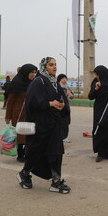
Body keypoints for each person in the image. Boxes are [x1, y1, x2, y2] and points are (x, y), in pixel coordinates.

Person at [17, 57, 71, 194]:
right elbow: (32, 102)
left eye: (55, 65)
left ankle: (56, 181)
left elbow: (62, 99)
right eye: (51, 65)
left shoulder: (54, 83)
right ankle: (24, 173)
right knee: (36, 153)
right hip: (41, 126)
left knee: (56, 153)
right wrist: (50, 103)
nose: (54, 67)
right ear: (44, 66)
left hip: (54, 125)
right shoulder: (38, 82)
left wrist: (63, 105)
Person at [5, 64, 37, 162]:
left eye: (35, 72)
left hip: (30, 113)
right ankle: (20, 155)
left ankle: (27, 153)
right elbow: (10, 101)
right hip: (18, 114)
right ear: (25, 72)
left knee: (30, 134)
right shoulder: (16, 83)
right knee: (21, 135)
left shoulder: (33, 83)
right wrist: (8, 117)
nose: (33, 74)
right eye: (31, 72)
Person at [57, 74, 74, 143]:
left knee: (67, 122)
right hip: (59, 107)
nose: (64, 80)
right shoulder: (57, 86)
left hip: (67, 107)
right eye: (62, 78)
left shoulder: (68, 87)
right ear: (59, 80)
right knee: (61, 122)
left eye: (65, 78)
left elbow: (72, 97)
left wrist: (70, 94)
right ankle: (60, 136)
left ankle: (65, 136)